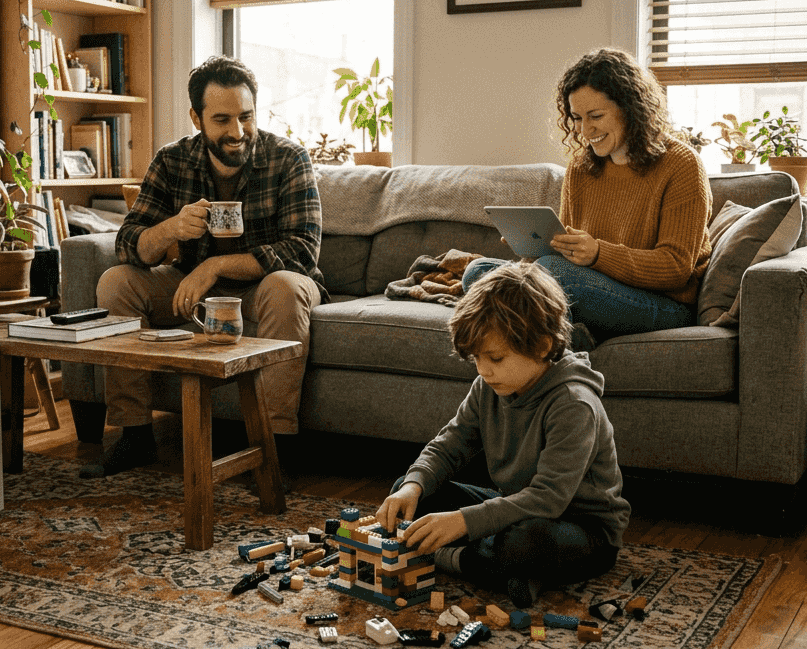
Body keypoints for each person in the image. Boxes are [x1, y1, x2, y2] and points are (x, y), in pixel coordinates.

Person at [76, 55, 327, 479]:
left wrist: (213, 265)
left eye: (245, 117)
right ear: (196, 118)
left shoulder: (289, 159)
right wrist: (171, 228)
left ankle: (274, 446)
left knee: (288, 287)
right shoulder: (172, 161)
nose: (237, 131)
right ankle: (135, 434)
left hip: (264, 285)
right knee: (116, 283)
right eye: (222, 119)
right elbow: (128, 244)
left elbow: (303, 251)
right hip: (193, 288)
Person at [375, 262, 629, 609]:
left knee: (525, 543)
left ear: (541, 346)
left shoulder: (573, 404)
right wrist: (413, 486)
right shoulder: (488, 385)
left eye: (494, 357)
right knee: (411, 495)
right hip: (516, 510)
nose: (483, 369)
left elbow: (548, 499)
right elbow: (449, 445)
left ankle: (464, 559)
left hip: (580, 530)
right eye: (476, 358)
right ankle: (500, 568)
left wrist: (463, 522)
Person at [462, 47, 712, 346]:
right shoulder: (582, 167)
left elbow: (675, 268)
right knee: (479, 274)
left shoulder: (682, 164)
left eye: (595, 116)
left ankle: (561, 343)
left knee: (553, 275)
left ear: (631, 108)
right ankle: (573, 338)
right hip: (589, 288)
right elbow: (567, 253)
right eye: (577, 117)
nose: (584, 130)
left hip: (664, 304)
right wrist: (534, 245)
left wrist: (597, 254)